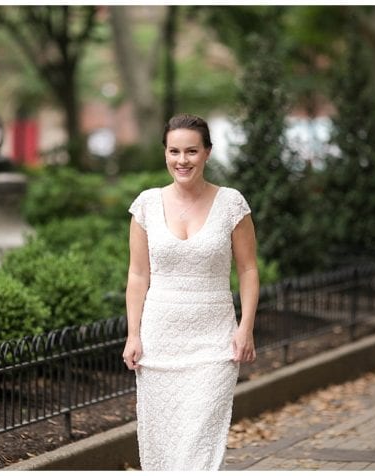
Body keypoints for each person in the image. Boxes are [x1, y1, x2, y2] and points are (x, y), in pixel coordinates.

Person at [123, 114, 259, 470]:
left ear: (208, 153)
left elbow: (247, 269)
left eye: (191, 151)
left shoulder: (232, 204)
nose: (182, 160)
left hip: (214, 341)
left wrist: (245, 328)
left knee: (200, 439)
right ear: (165, 154)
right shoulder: (146, 205)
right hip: (159, 341)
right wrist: (133, 335)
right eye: (174, 151)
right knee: (162, 443)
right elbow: (138, 275)